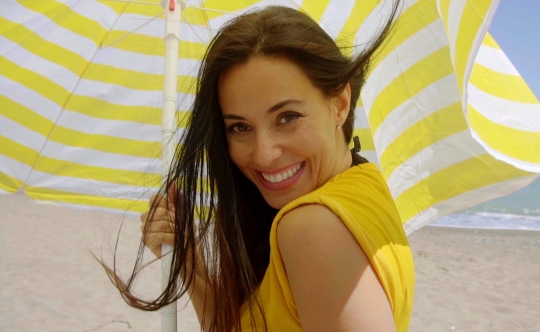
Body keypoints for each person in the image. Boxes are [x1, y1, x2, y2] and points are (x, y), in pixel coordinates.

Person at [104, 4, 414, 332]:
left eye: (287, 117)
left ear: (339, 104)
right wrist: (189, 261)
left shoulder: (310, 228)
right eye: (240, 127)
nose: (264, 155)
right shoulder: (365, 183)